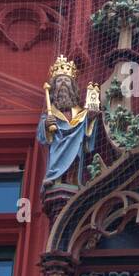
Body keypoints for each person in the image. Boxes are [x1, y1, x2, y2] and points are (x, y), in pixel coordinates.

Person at [37, 56, 99, 187]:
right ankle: (54, 178)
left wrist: (91, 119)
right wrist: (46, 124)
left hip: (76, 147)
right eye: (59, 81)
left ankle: (72, 181)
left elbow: (87, 133)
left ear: (73, 87)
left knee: (75, 164)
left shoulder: (81, 113)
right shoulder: (49, 113)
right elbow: (42, 137)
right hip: (57, 148)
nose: (63, 84)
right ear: (54, 87)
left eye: (67, 80)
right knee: (56, 156)